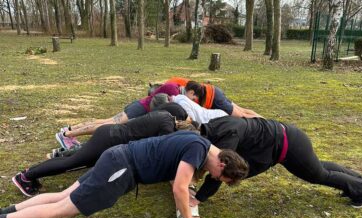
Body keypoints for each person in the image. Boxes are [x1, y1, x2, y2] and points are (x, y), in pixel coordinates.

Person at [0, 132, 249, 218]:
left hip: (117, 158)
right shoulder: (198, 150)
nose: (216, 180)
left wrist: (189, 203)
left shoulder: (201, 144)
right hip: (121, 168)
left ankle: (6, 213)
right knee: (62, 210)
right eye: (221, 178)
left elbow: (178, 183)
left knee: (62, 195)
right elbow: (179, 189)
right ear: (222, 164)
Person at [191, 116, 362, 209]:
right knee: (319, 168)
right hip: (287, 141)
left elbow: (220, 174)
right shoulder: (215, 128)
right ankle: (358, 179)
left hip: (289, 145)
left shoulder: (226, 141)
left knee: (318, 175)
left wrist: (198, 198)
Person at [12, 105, 193, 197]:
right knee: (72, 161)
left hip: (110, 136)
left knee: (79, 162)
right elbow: (159, 152)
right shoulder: (167, 127)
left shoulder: (166, 117)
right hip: (109, 138)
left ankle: (35, 173)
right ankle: (26, 176)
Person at [56, 77, 261, 149]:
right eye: (195, 98)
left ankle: (69, 130)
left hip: (139, 106)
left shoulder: (174, 88)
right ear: (190, 92)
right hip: (140, 110)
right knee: (110, 126)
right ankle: (68, 135)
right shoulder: (174, 91)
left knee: (106, 121)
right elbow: (158, 106)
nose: (195, 102)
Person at [150, 93, 228, 124]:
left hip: (216, 120)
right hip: (216, 115)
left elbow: (192, 122)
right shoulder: (179, 97)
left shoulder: (181, 104)